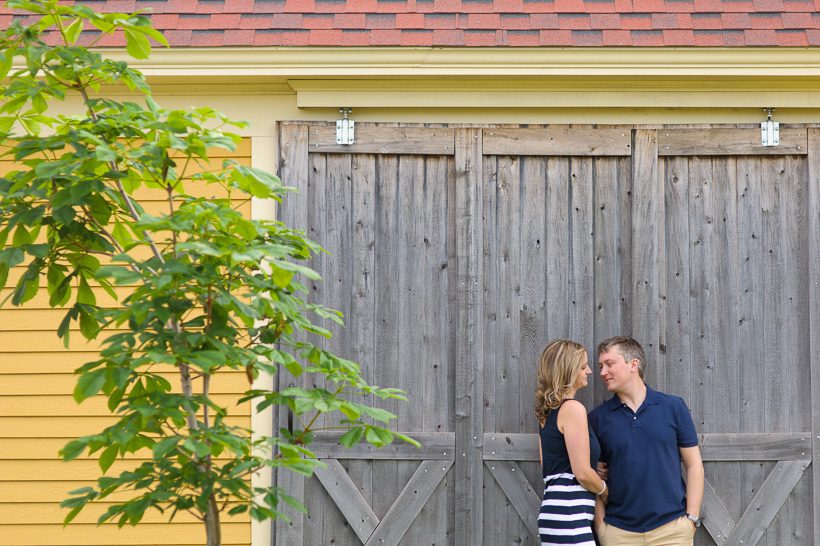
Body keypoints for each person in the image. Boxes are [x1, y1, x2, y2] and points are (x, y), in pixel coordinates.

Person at [589, 336, 705, 546]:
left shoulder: (673, 407)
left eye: (609, 364)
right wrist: (601, 527)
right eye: (600, 366)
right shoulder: (597, 419)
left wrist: (692, 518)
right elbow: (593, 477)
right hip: (619, 533)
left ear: (633, 364)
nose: (602, 372)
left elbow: (694, 464)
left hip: (672, 531)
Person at [536, 339, 609, 546]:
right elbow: (582, 473)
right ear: (569, 370)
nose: (589, 371)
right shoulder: (573, 409)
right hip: (570, 516)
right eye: (583, 366)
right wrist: (605, 491)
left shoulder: (546, 413)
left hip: (554, 514)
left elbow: (552, 467)